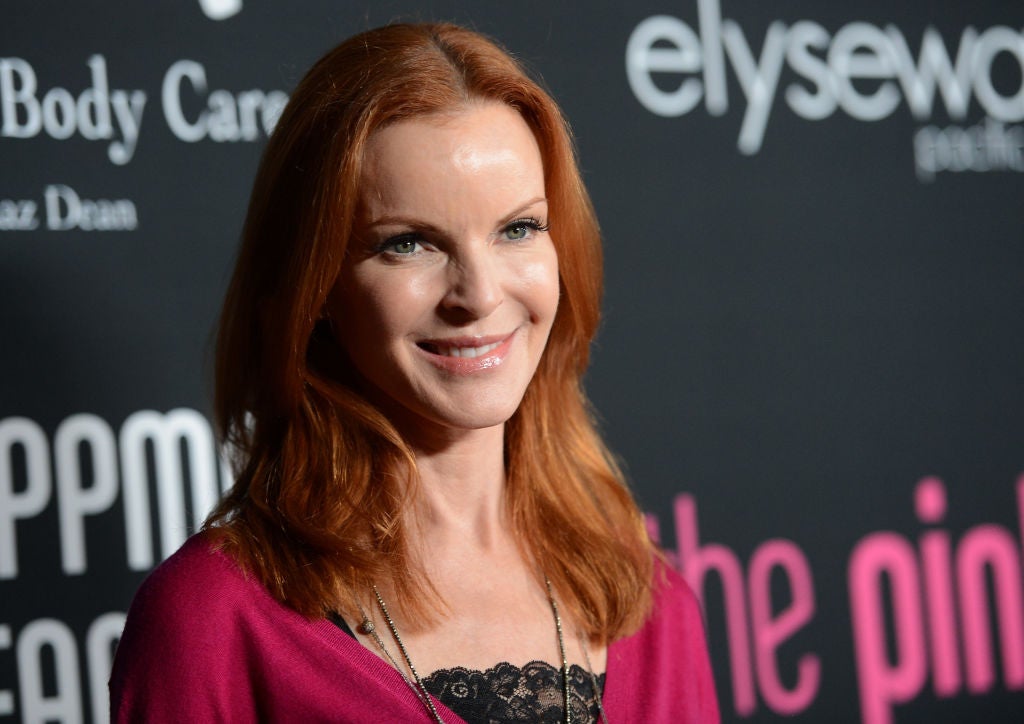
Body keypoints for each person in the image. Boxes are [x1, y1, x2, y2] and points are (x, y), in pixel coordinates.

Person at [109, 22, 718, 723]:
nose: (480, 296)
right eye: (408, 243)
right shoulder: (212, 621)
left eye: (517, 229)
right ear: (319, 285)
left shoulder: (652, 600)